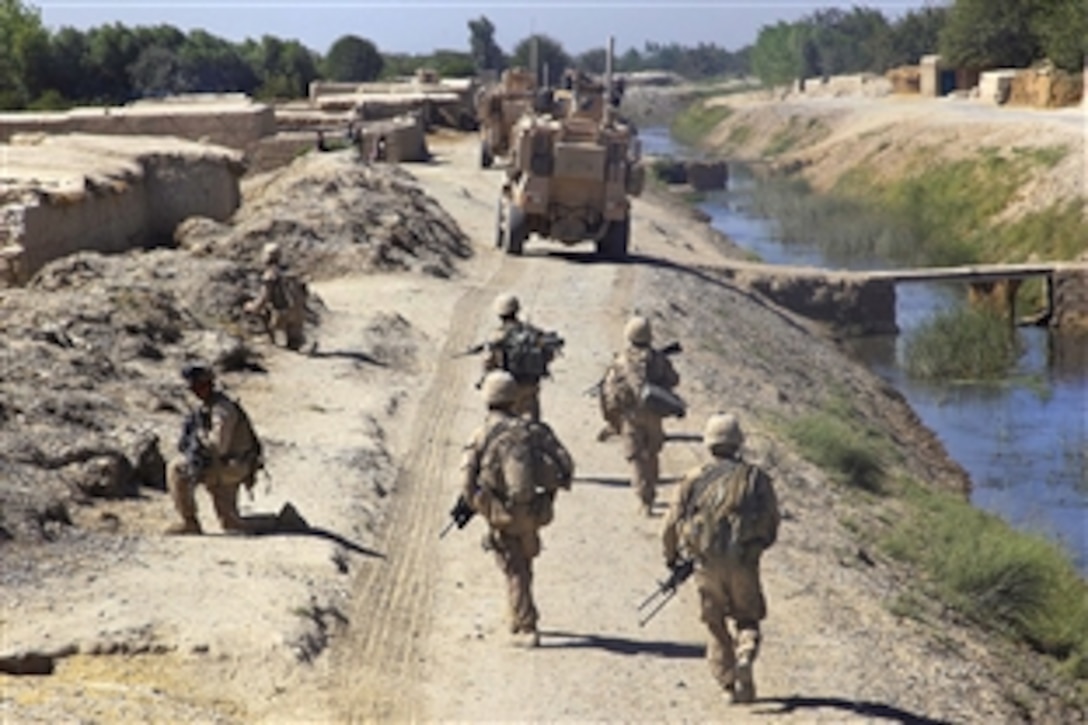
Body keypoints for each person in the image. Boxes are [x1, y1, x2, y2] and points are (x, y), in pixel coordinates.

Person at [661, 413, 780, 704]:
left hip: (706, 565)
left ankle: (728, 683)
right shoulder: (756, 479)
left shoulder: (694, 478)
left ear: (709, 443)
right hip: (744, 562)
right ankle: (746, 652)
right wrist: (757, 547)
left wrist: (671, 556)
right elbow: (771, 521)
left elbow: (670, 523)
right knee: (748, 618)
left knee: (714, 621)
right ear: (738, 443)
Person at [459, 371, 574, 647]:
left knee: (513, 567)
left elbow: (466, 480)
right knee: (523, 561)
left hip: (502, 511)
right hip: (534, 509)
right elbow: (565, 465)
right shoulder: (532, 430)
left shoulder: (482, 435)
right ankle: (516, 613)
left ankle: (527, 627)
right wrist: (549, 497)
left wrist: (480, 504)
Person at [165, 364, 264, 536]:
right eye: (194, 387)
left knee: (176, 468)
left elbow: (218, 446)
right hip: (228, 466)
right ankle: (277, 522)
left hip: (227, 468)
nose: (196, 391)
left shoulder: (222, 409)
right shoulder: (209, 406)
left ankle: (189, 522)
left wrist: (199, 437)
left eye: (199, 386)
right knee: (231, 523)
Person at [600, 315, 680, 515]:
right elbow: (673, 379)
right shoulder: (658, 359)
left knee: (635, 457)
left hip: (631, 416)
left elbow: (608, 392)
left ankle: (644, 499)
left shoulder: (620, 361)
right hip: (654, 415)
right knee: (652, 453)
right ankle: (651, 490)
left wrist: (613, 420)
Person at [480, 293, 562, 421]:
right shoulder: (532, 332)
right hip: (531, 385)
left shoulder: (497, 336)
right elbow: (548, 354)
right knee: (532, 425)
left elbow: (488, 362)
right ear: (516, 310)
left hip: (508, 387)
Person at [244, 242, 307, 351]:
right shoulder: (290, 272)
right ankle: (296, 341)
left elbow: (263, 298)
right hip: (298, 312)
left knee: (259, 312)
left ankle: (269, 340)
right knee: (294, 339)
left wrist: (252, 307)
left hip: (281, 314)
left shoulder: (270, 275)